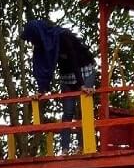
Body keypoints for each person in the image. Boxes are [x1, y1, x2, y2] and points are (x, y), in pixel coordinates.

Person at [21, 19, 96, 154]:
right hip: (66, 77)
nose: (32, 43)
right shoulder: (42, 45)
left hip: (84, 71)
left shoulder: (62, 36)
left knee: (82, 110)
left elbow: (73, 59)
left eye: (32, 39)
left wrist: (82, 85)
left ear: (38, 35)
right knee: (68, 112)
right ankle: (65, 149)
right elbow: (41, 66)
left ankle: (83, 146)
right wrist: (42, 89)